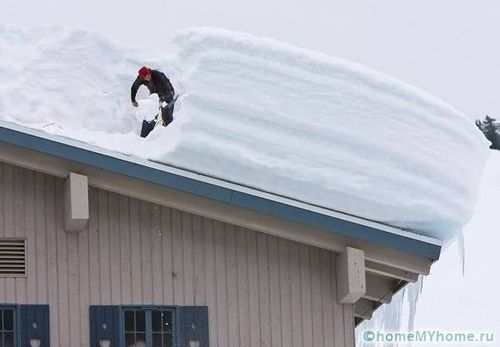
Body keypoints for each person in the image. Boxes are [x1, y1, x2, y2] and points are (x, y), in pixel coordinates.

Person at [131, 66, 176, 136]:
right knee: (150, 114)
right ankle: (144, 136)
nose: (147, 78)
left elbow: (166, 90)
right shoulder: (141, 78)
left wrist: (161, 100)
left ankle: (167, 134)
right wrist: (133, 100)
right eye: (145, 77)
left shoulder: (158, 76)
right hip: (155, 96)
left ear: (150, 72)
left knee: (167, 116)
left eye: (148, 75)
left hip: (167, 93)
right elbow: (134, 87)